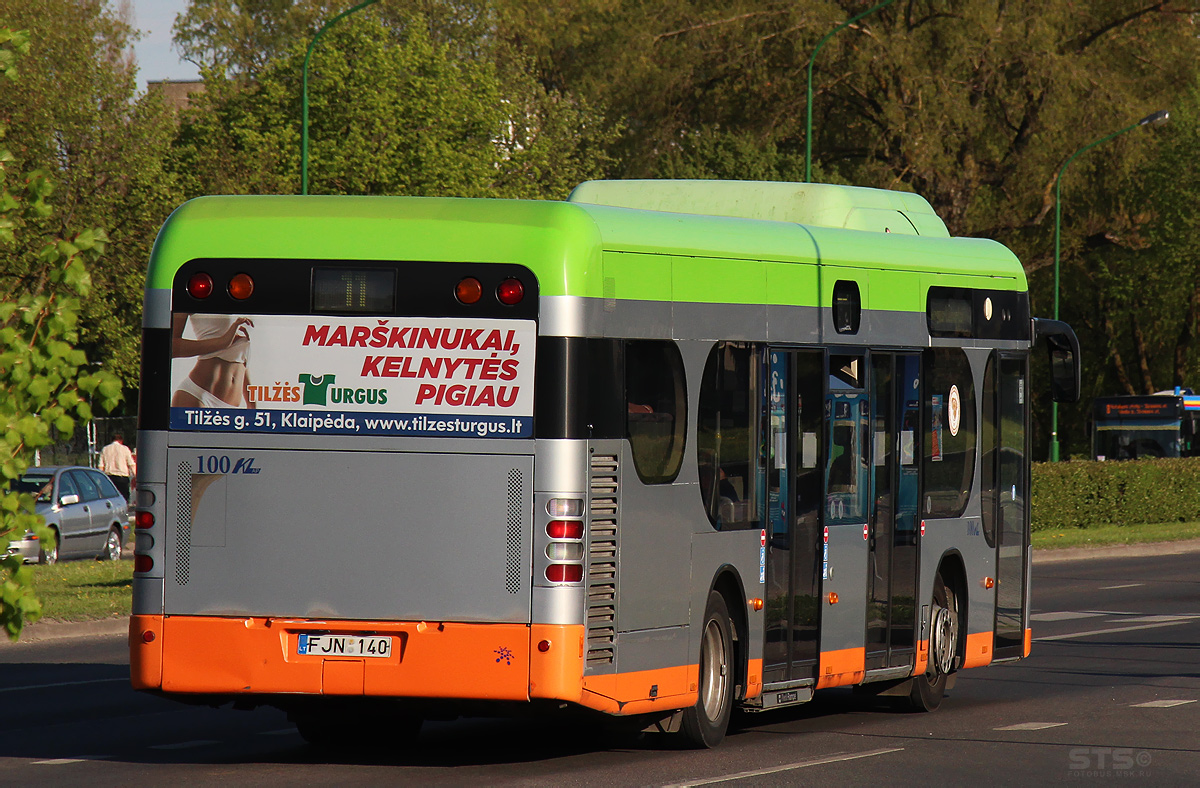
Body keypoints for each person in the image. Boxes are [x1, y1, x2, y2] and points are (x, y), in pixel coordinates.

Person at [171, 314, 255, 408]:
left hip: (231, 407)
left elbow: (241, 355)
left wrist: (251, 403)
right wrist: (222, 342)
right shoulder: (188, 300)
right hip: (198, 396)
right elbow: (171, 347)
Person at [98, 433, 136, 502]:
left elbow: (101, 466)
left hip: (109, 478)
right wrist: (135, 476)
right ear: (121, 441)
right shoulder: (125, 449)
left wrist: (101, 479)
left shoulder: (105, 449)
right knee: (123, 499)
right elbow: (131, 464)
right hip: (122, 478)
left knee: (110, 500)